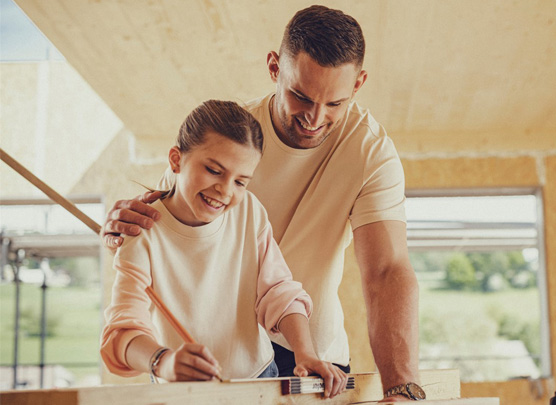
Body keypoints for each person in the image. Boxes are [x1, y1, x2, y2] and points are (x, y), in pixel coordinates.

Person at [102, 6, 422, 402]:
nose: (314, 118)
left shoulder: (371, 151)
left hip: (312, 350)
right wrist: (124, 227)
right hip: (207, 362)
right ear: (274, 67)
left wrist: (402, 388)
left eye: (335, 104)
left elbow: (387, 270)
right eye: (300, 96)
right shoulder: (231, 137)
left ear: (359, 84)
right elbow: (171, 224)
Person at [100, 100, 348, 399]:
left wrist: (305, 354)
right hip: (181, 392)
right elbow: (121, 332)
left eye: (241, 181)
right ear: (176, 160)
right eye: (214, 170)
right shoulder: (140, 232)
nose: (226, 191)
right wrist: (163, 362)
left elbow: (279, 292)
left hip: (257, 379)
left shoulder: (249, 212)